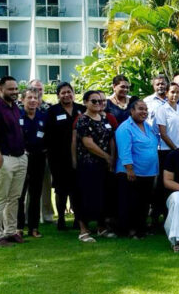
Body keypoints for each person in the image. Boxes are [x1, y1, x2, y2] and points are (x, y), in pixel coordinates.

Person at [0, 76, 28, 247]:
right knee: (0, 197)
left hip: (19, 157)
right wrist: (0, 160)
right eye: (11, 89)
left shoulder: (15, 108)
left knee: (14, 198)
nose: (15, 92)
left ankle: (10, 231)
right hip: (3, 158)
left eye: (16, 89)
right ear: (0, 90)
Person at [75, 90, 116, 243]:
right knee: (87, 196)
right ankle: (83, 230)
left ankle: (101, 227)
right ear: (85, 102)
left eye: (100, 101)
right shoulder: (83, 120)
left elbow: (111, 137)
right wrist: (107, 157)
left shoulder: (104, 118)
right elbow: (88, 143)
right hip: (88, 164)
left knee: (103, 196)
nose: (98, 104)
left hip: (104, 166)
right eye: (94, 101)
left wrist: (112, 158)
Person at [116, 99, 159, 238]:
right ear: (132, 111)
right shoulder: (125, 128)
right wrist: (129, 169)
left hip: (148, 172)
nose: (144, 112)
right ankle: (129, 230)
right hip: (131, 172)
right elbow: (124, 151)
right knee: (131, 203)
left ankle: (141, 228)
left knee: (144, 203)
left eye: (146, 109)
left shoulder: (147, 126)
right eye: (140, 109)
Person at [46, 82, 86, 230]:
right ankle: (61, 217)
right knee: (60, 189)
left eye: (69, 92)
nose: (66, 95)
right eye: (63, 93)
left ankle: (78, 218)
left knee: (77, 189)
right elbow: (48, 135)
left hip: (79, 156)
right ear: (58, 95)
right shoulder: (52, 111)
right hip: (58, 157)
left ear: (73, 93)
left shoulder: (81, 110)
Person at [152, 82, 179, 227]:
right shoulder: (161, 110)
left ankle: (177, 215)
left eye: (177, 92)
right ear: (166, 93)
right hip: (167, 151)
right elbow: (163, 133)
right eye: (172, 92)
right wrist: (175, 149)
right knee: (163, 185)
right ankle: (157, 216)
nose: (174, 95)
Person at [16, 87, 48, 238]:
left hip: (38, 159)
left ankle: (34, 227)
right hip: (21, 159)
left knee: (35, 194)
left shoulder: (43, 117)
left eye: (35, 98)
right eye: (29, 98)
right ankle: (19, 227)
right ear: (22, 100)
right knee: (19, 195)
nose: (33, 100)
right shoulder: (17, 116)